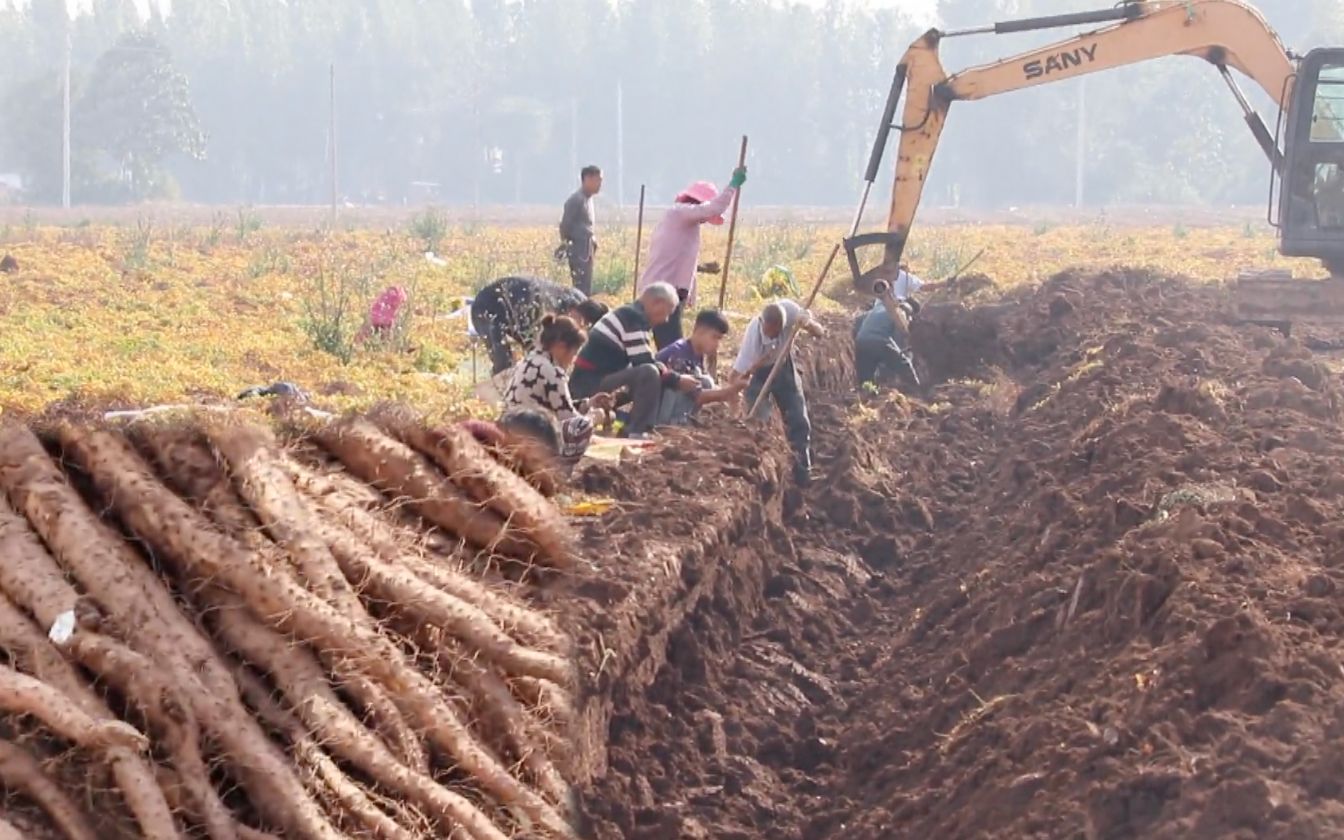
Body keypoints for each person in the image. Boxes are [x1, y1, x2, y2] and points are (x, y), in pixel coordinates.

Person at [569, 282, 700, 438]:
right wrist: (676, 379)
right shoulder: (632, 318)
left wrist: (667, 373)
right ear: (656, 303)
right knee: (649, 373)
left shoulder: (632, 316)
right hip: (587, 385)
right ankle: (636, 430)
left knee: (654, 372)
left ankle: (630, 425)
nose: (666, 320)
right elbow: (644, 363)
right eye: (667, 312)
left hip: (595, 380)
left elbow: (645, 358)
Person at [638, 166, 747, 349]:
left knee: (667, 341)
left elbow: (682, 260)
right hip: (661, 292)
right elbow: (716, 206)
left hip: (671, 291)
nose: (706, 219)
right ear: (697, 202)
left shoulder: (688, 224)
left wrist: (694, 284)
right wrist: (733, 185)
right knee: (670, 344)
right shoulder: (679, 213)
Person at [501, 314, 614, 473]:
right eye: (574, 353)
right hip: (533, 438)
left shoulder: (529, 361)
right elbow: (570, 419)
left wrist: (588, 404)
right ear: (561, 347)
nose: (573, 359)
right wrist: (595, 417)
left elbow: (556, 405)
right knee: (583, 426)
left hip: (510, 430)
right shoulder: (552, 372)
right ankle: (559, 471)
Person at [731, 299, 825, 485]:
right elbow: (734, 377)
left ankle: (803, 472)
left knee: (799, 420)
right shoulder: (753, 340)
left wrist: (807, 323)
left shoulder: (791, 311)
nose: (774, 336)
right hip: (757, 376)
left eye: (778, 332)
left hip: (783, 366)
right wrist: (734, 412)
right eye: (770, 333)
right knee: (761, 425)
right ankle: (765, 477)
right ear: (762, 324)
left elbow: (819, 332)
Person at [470, 275, 609, 376]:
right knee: (504, 365)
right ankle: (498, 404)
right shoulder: (548, 309)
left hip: (511, 306)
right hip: (485, 308)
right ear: (580, 318)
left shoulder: (582, 303)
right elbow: (540, 352)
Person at [654, 309, 746, 426]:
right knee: (704, 381)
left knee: (706, 381)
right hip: (658, 413)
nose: (717, 344)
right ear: (700, 331)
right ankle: (671, 424)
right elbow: (696, 396)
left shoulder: (696, 354)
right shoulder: (679, 353)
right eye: (715, 337)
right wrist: (728, 392)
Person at [853, 267, 924, 390]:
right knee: (905, 365)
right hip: (878, 341)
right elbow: (901, 333)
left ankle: (865, 397)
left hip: (860, 341)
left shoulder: (875, 308)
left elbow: (858, 323)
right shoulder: (900, 311)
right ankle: (919, 391)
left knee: (866, 379)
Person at [558, 165, 602, 295]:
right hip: (578, 251)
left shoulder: (588, 199)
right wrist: (567, 245)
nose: (600, 184)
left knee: (586, 287)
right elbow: (565, 225)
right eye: (597, 180)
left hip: (586, 249)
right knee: (580, 288)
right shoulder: (576, 200)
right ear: (587, 179)